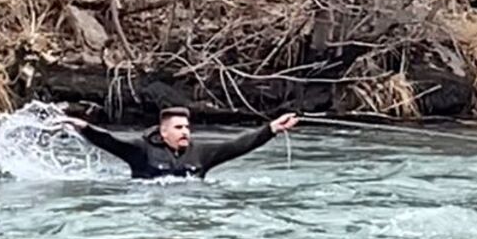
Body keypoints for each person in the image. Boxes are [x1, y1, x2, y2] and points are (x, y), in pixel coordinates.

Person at [58, 107, 299, 179]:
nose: (185, 132)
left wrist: (271, 129)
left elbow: (238, 145)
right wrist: (84, 127)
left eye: (186, 127)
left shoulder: (201, 153)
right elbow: (109, 141)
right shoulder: (141, 150)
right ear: (163, 132)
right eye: (178, 128)